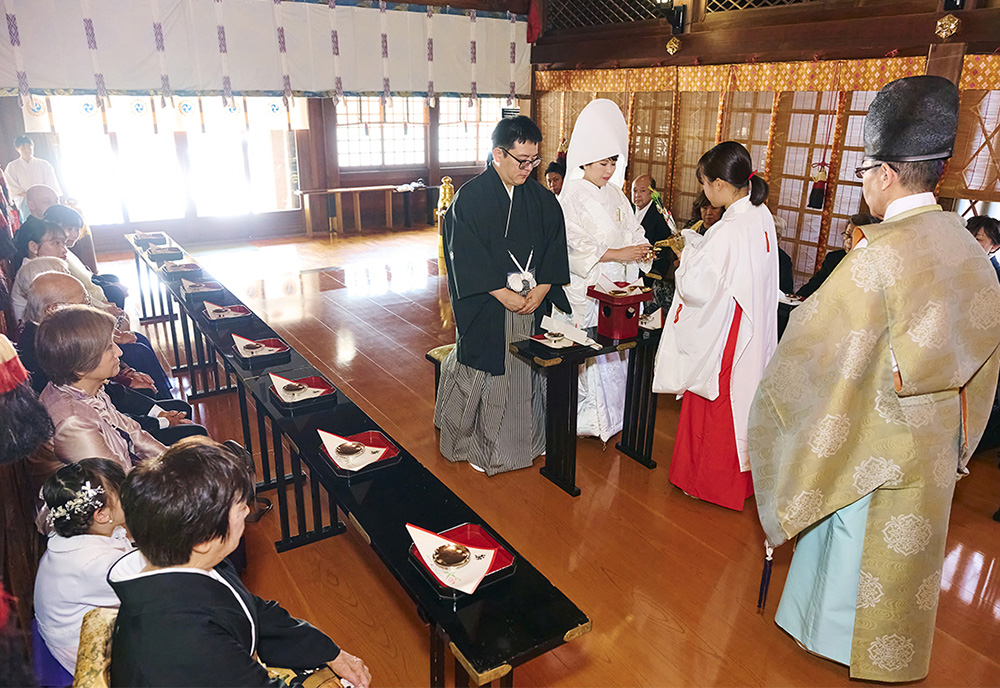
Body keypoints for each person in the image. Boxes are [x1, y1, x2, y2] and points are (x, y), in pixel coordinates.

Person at [748, 76, 1000, 682]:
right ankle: (871, 647)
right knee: (904, 556)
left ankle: (835, 644)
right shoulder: (968, 245)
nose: (863, 181)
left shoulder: (878, 253)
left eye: (864, 170)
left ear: (886, 173)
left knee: (853, 538)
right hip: (938, 429)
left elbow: (819, 349)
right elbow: (984, 345)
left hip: (874, 427)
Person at [109, 437, 371, 687]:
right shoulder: (183, 638)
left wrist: (329, 651)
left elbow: (251, 610)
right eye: (239, 505)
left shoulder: (185, 559)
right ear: (204, 538)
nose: (247, 510)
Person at [434, 116, 570, 475]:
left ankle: (531, 442)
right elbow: (463, 255)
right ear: (498, 154)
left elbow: (555, 246)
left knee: (529, 370)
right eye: (521, 160)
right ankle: (479, 446)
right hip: (489, 303)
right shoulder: (470, 199)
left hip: (531, 301)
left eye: (534, 160)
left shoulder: (542, 199)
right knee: (492, 367)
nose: (529, 168)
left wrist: (543, 288)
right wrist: (500, 293)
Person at [652, 141, 778, 510]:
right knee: (744, 398)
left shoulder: (729, 228)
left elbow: (700, 286)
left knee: (716, 397)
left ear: (720, 184)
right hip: (752, 319)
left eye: (705, 184)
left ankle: (706, 483)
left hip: (728, 329)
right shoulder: (759, 213)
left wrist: (686, 254)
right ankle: (742, 481)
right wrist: (698, 245)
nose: (704, 191)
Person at [556, 99, 652, 441]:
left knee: (616, 351)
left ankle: (615, 417)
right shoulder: (570, 197)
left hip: (619, 285)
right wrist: (618, 253)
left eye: (613, 162)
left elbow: (633, 230)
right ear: (585, 160)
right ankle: (586, 419)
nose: (609, 170)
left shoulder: (616, 194)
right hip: (588, 286)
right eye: (603, 163)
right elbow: (575, 245)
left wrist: (641, 248)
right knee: (590, 350)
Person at [20, 272, 205, 447]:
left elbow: (106, 392)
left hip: (115, 416)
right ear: (54, 308)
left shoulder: (56, 334)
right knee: (193, 432)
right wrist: (162, 421)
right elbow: (111, 423)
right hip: (114, 437)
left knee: (180, 409)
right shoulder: (47, 352)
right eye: (84, 302)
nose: (89, 306)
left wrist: (157, 410)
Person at [35, 305, 166, 479]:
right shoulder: (73, 422)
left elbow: (134, 434)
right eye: (109, 347)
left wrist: (173, 460)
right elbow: (116, 481)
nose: (119, 352)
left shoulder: (85, 389)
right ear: (81, 366)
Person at [34, 459, 132, 674]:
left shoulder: (80, 534)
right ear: (102, 515)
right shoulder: (95, 563)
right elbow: (141, 593)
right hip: (83, 648)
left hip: (74, 624)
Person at [796, 213, 880, 299]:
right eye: (847, 235)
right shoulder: (834, 258)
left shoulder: (876, 264)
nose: (848, 241)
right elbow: (815, 284)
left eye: (855, 237)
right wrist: (797, 297)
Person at [632, 174, 677, 311]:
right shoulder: (627, 209)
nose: (637, 195)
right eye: (634, 190)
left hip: (650, 269)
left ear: (652, 193)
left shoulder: (660, 215)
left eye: (642, 191)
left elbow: (663, 249)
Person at [4, 135, 61, 220]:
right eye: (23, 148)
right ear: (17, 149)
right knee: (30, 223)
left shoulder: (44, 164)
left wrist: (41, 196)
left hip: (45, 199)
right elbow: (11, 186)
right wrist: (30, 196)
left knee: (48, 221)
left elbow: (51, 183)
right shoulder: (12, 166)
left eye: (29, 147)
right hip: (25, 200)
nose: (27, 150)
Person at [967, 215, 1000, 281]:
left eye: (977, 239)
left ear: (994, 247)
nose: (969, 242)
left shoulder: (996, 276)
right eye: (967, 237)